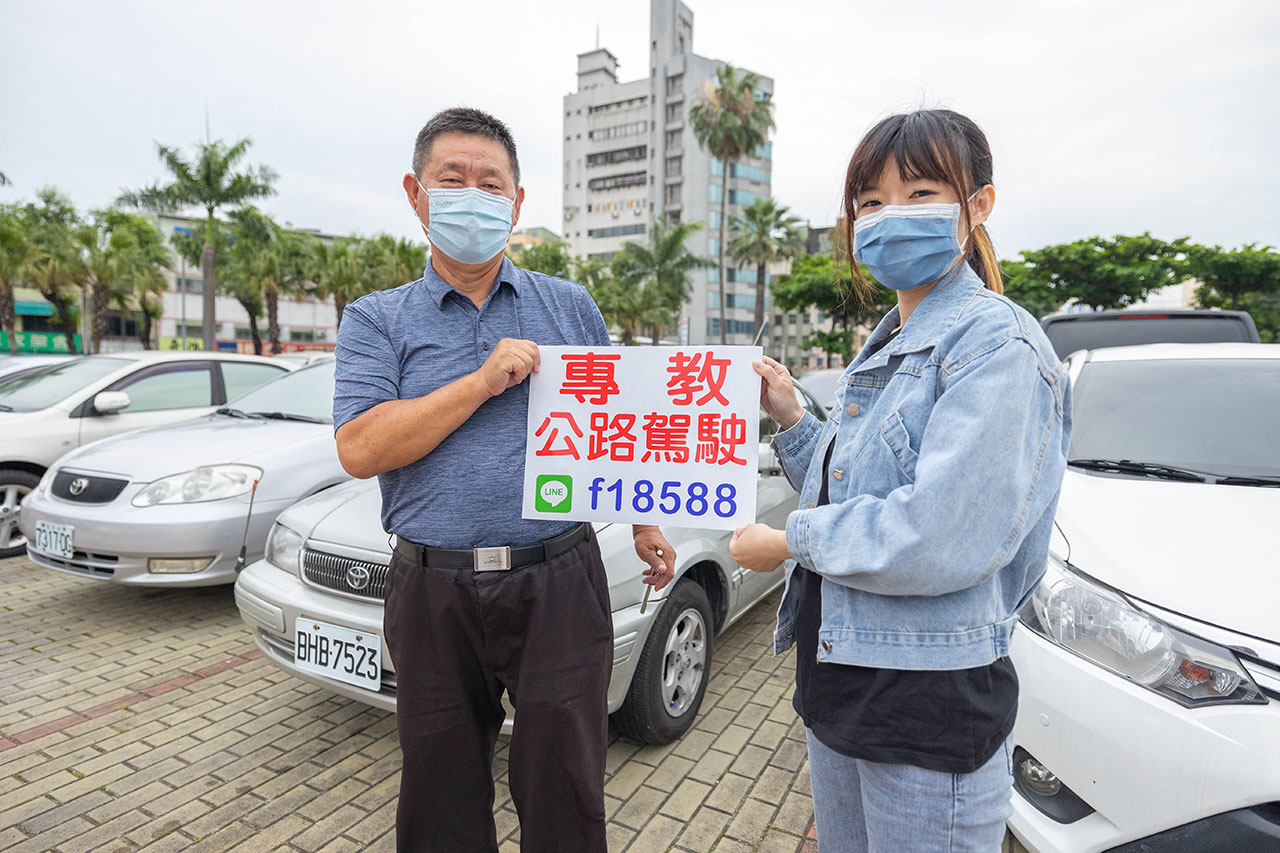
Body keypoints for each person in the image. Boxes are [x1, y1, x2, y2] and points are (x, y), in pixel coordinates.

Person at [332, 107, 676, 853]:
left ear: (518, 203)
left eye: (491, 183)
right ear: (415, 194)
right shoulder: (376, 319)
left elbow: (619, 417)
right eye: (451, 179)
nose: (472, 196)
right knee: (440, 791)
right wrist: (482, 382)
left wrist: (647, 521)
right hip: (432, 590)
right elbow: (361, 446)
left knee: (565, 786)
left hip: (559, 580)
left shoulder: (568, 304)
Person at [730, 109, 1072, 852]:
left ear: (977, 205)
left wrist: (787, 538)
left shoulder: (996, 343)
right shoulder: (887, 340)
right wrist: (791, 414)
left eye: (921, 194)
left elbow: (939, 530)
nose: (891, 217)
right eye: (872, 202)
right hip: (842, 684)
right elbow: (860, 484)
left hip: (928, 702)